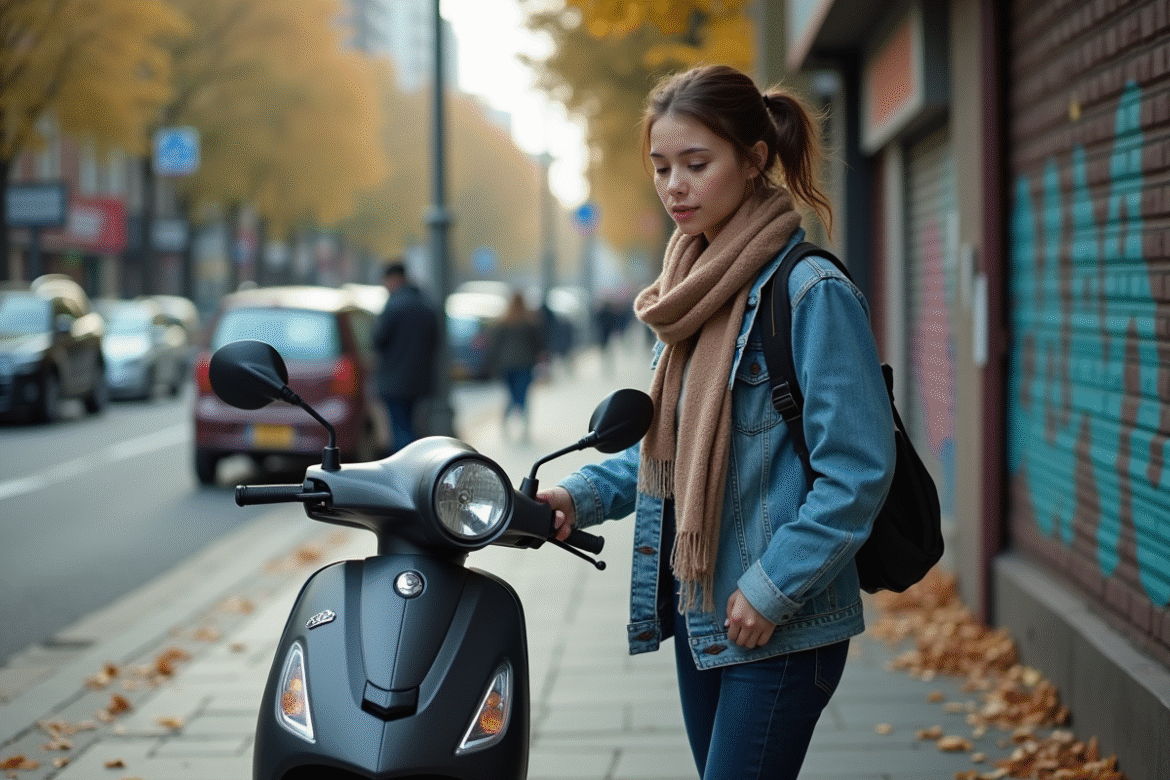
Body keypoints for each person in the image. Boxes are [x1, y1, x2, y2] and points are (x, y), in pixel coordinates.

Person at [537, 65, 896, 780]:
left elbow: (858, 470)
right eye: (662, 167)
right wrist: (576, 496)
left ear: (755, 159)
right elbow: (668, 450)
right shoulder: (690, 293)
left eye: (697, 164)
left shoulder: (811, 292)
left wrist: (772, 588)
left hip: (780, 620)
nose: (675, 186)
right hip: (702, 610)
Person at [372, 260, 440, 454]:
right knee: (411, 424)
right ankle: (413, 459)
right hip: (419, 380)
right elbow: (435, 342)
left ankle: (404, 465)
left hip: (394, 380)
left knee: (400, 430)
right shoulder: (426, 305)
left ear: (393, 279)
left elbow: (378, 339)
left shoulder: (394, 305)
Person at [488, 290, 545, 442]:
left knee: (511, 396)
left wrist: (494, 364)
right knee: (523, 396)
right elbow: (538, 344)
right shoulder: (530, 322)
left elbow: (494, 345)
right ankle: (524, 428)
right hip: (525, 364)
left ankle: (505, 425)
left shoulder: (503, 322)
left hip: (506, 365)